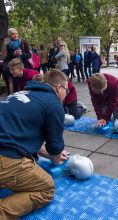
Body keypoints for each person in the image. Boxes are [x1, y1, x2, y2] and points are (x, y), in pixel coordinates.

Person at [0, 69, 68, 219]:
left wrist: (46, 152)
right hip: (4, 157)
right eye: (66, 91)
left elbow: (21, 134)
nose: (66, 95)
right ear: (58, 88)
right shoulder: (53, 104)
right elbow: (55, 147)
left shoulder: (19, 94)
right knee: (46, 188)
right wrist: (55, 158)